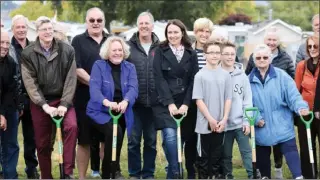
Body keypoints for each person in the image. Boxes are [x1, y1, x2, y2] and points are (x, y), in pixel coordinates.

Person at [21, 16, 78, 179]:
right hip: (40, 102)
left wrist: (65, 104)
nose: (47, 32)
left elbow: (71, 79)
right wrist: (44, 106)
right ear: (37, 32)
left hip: (63, 99)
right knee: (42, 143)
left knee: (71, 127)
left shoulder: (67, 50)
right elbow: (30, 83)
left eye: (50, 29)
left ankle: (67, 173)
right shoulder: (28, 53)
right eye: (44, 29)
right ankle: (46, 175)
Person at [249, 44, 309, 179]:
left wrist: (301, 107)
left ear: (270, 59)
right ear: (254, 60)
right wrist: (256, 118)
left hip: (282, 123)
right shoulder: (248, 80)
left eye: (265, 57)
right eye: (258, 57)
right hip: (261, 127)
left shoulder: (282, 76)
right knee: (263, 164)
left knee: (291, 153)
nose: (262, 59)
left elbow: (293, 96)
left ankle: (298, 177)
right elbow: (247, 104)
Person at [245, 27, 295, 178]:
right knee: (262, 142)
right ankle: (263, 172)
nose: (272, 42)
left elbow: (292, 78)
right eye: (269, 40)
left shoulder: (285, 57)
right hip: (260, 102)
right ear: (264, 41)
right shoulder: (255, 56)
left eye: (274, 40)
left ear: (278, 42)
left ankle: (278, 168)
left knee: (279, 143)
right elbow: (247, 76)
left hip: (278, 104)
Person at [86, 36, 138, 179]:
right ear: (108, 52)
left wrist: (126, 101)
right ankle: (108, 172)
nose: (117, 53)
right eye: (114, 50)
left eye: (120, 50)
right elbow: (94, 89)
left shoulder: (130, 67)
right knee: (115, 132)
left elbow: (133, 88)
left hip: (121, 109)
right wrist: (107, 103)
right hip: (100, 110)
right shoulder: (98, 65)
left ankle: (114, 169)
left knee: (118, 138)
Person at [152, 19, 198, 179]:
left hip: (186, 103)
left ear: (182, 33)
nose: (172, 35)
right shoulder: (160, 50)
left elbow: (194, 79)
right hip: (165, 103)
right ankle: (175, 171)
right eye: (169, 32)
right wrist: (170, 103)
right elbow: (158, 78)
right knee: (170, 137)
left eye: (175, 32)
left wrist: (186, 104)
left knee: (187, 139)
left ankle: (180, 171)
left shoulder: (191, 53)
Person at [71, 7, 109, 179]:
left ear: (104, 22)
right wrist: (97, 84)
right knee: (84, 140)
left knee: (105, 140)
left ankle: (107, 173)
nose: (95, 23)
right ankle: (81, 177)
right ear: (86, 21)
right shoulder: (77, 41)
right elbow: (77, 69)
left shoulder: (112, 40)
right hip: (84, 99)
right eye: (92, 20)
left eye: (99, 20)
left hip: (108, 100)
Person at [192, 41, 232, 179]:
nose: (214, 55)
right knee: (203, 158)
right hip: (204, 124)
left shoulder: (226, 75)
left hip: (220, 123)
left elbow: (228, 98)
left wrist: (225, 118)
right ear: (205, 55)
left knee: (216, 157)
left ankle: (214, 176)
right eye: (211, 52)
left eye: (217, 52)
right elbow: (198, 100)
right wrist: (210, 119)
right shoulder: (200, 75)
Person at [126, 12, 159, 179]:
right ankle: (134, 173)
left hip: (154, 104)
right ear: (137, 25)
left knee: (151, 142)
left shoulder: (160, 47)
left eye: (147, 23)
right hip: (134, 104)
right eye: (141, 23)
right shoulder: (128, 47)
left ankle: (148, 173)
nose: (144, 26)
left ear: (152, 26)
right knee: (133, 142)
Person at [8, 15, 40, 179]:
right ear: (13, 29)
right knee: (10, 138)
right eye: (17, 27)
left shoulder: (34, 47)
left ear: (27, 28)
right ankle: (8, 168)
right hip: (13, 99)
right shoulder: (8, 46)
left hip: (32, 99)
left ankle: (31, 168)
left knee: (31, 137)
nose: (21, 29)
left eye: (23, 27)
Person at [220, 41, 253, 179]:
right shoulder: (216, 75)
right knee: (225, 154)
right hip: (223, 124)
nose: (229, 57)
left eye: (232, 54)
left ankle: (253, 174)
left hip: (240, 123)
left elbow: (247, 100)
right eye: (226, 54)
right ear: (221, 55)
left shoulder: (242, 76)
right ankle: (228, 175)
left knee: (247, 152)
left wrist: (247, 121)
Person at [295, 35, 320, 179]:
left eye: (315, 46)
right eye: (309, 46)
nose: (312, 49)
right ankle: (309, 174)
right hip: (305, 114)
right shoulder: (302, 66)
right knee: (306, 147)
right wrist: (299, 109)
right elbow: (296, 90)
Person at [0, 28, 22, 179]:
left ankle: (10, 176)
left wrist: (2, 114)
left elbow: (10, 90)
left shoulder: (11, 62)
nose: (5, 46)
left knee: (11, 145)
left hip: (8, 107)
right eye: (1, 42)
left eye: (7, 43)